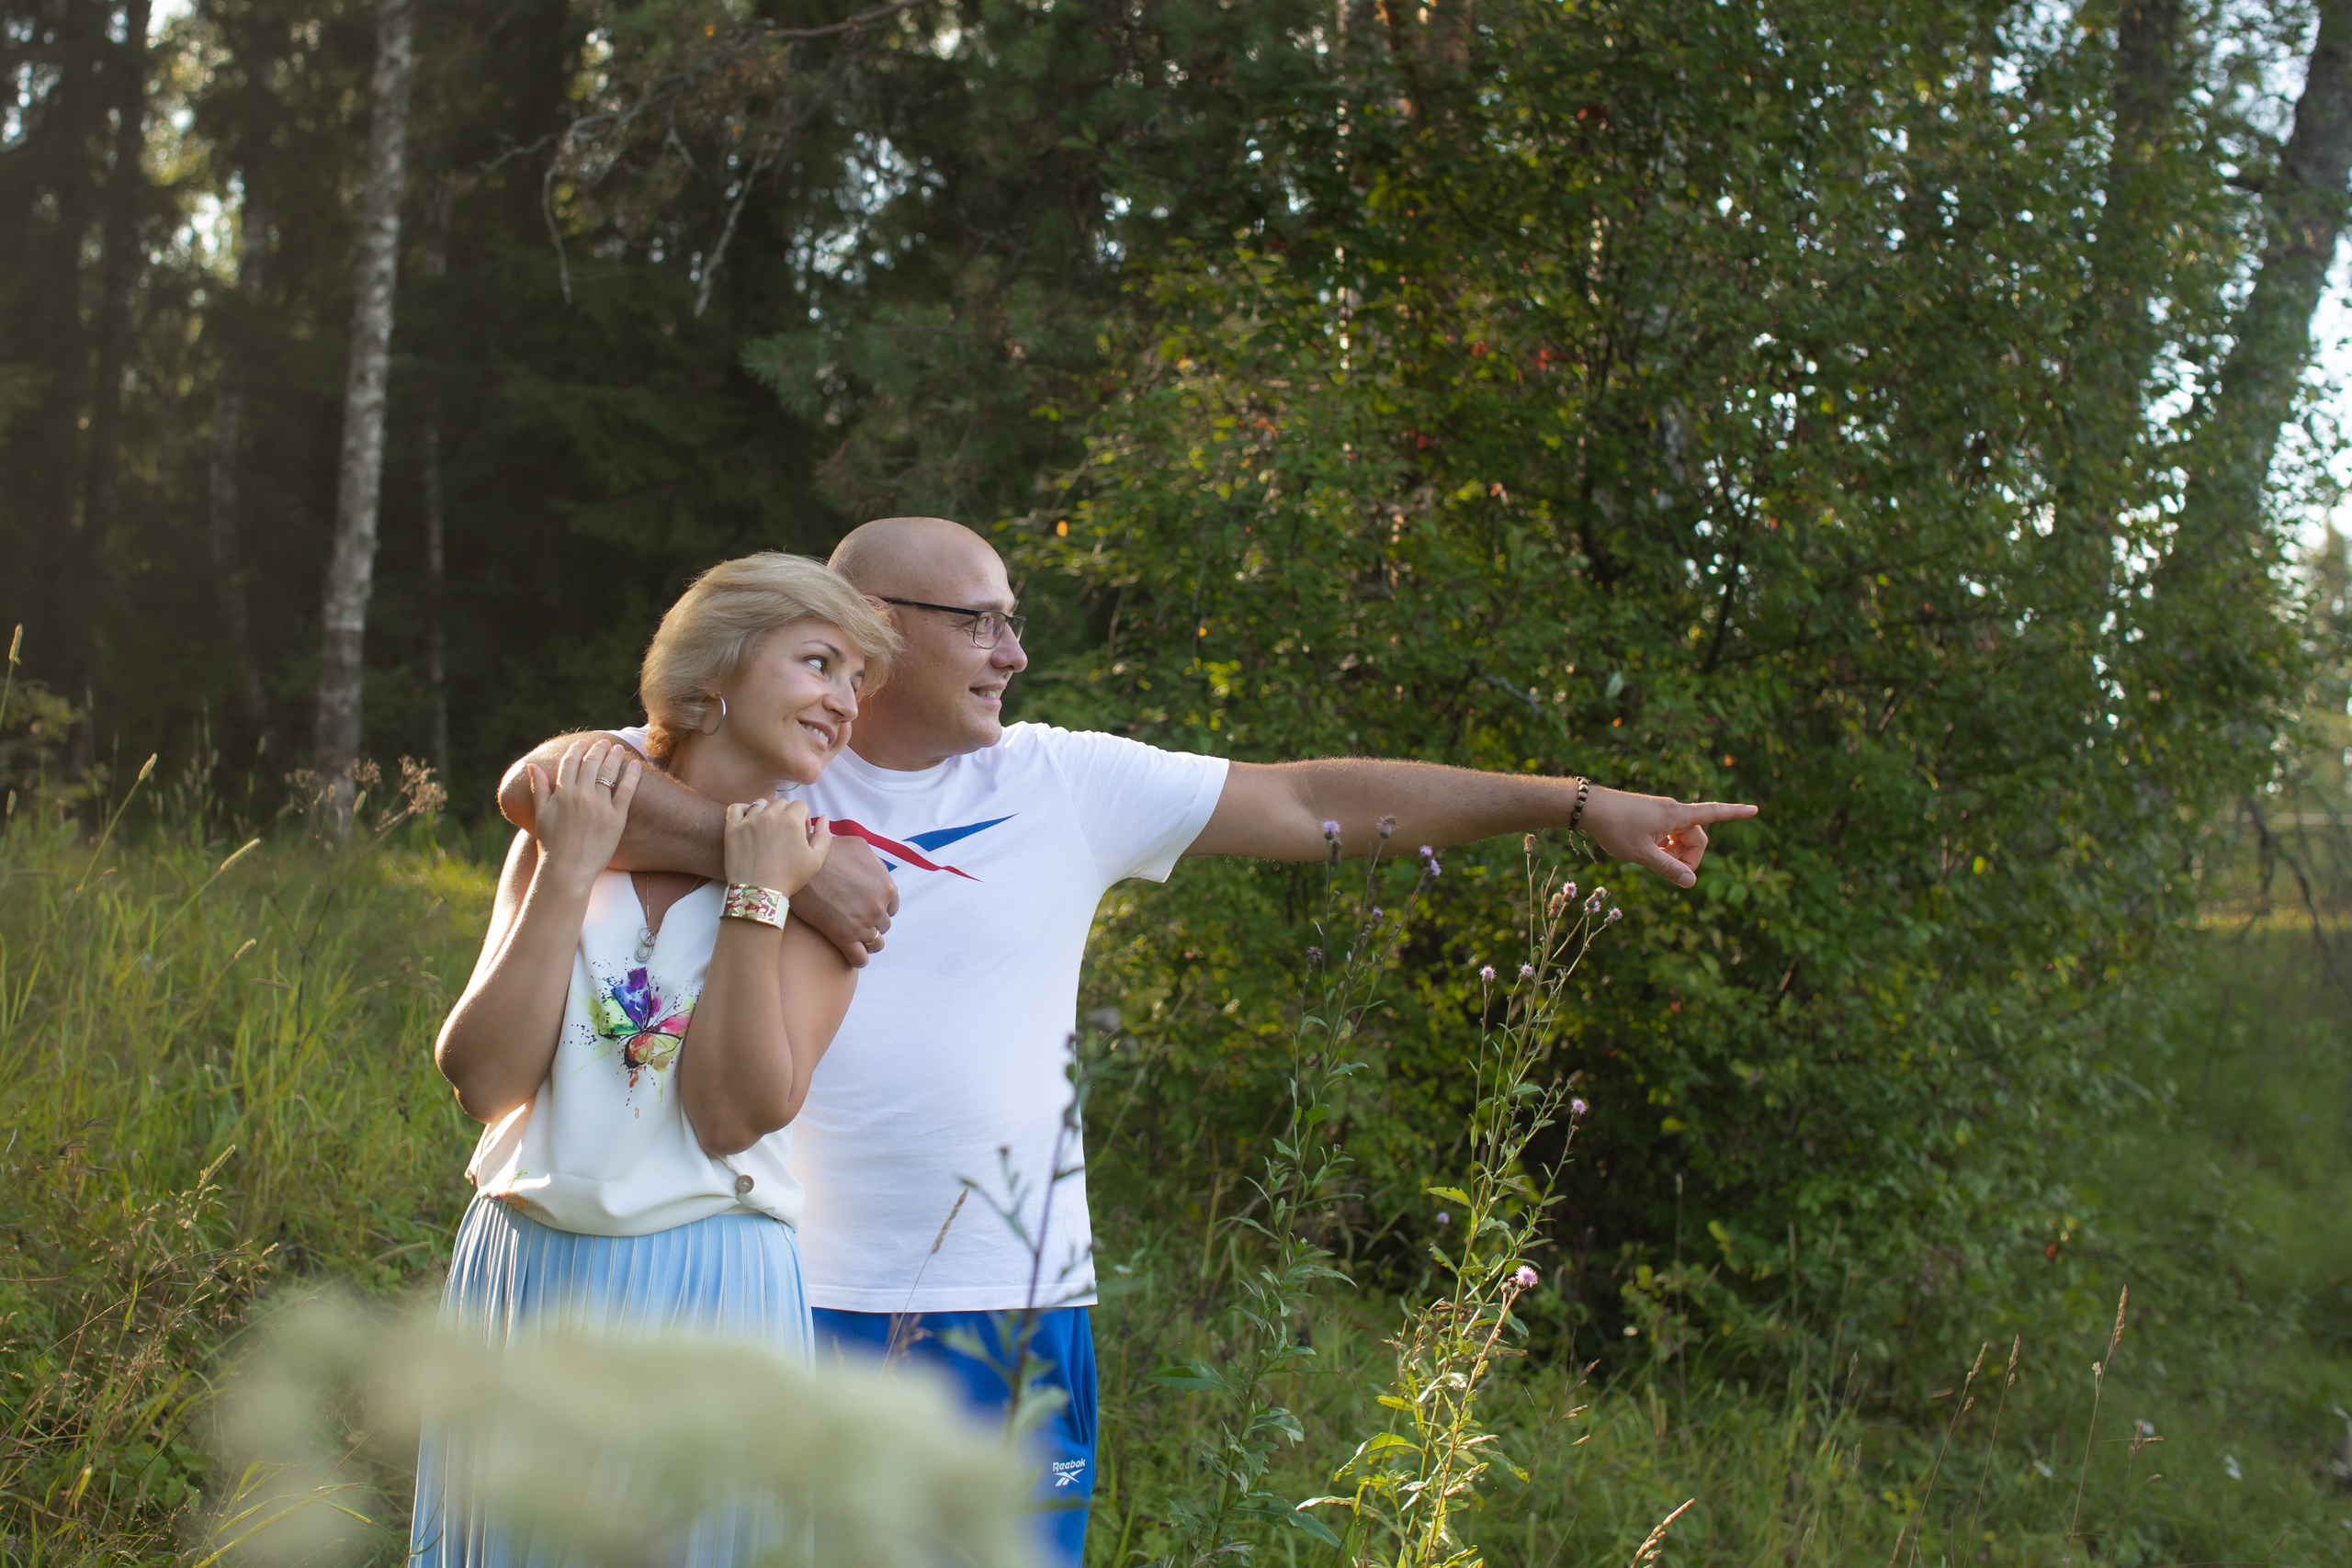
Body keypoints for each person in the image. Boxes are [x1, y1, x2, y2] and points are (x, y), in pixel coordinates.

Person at [497, 516, 1757, 1565]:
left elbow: (1314, 798)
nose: (1014, 649)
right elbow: (550, 777)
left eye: (1013, 615)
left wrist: (1575, 802)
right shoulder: (773, 746)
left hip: (1002, 1303)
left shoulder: (1063, 780)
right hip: (769, 1294)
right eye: (978, 619)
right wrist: (783, 869)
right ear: (872, 626)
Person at [416, 553, 899, 1567]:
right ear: (711, 678)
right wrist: (568, 872)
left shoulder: (827, 885)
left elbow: (733, 1116)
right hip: (526, 1262)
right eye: (821, 663)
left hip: (708, 1279)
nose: (845, 703)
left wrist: (759, 897)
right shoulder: (570, 820)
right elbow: (484, 1081)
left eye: (858, 682)